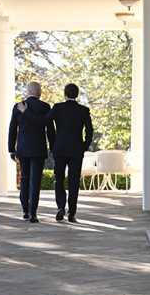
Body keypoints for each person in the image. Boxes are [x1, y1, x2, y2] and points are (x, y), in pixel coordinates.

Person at [17, 83, 93, 223]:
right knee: (74, 181)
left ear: (65, 94)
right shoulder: (84, 110)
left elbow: (42, 122)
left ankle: (60, 208)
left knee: (59, 180)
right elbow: (89, 131)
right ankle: (72, 213)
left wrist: (25, 112)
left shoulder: (58, 108)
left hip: (60, 150)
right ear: (77, 94)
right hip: (76, 150)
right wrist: (83, 146)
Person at [8, 82, 55, 223]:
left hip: (22, 149)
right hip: (38, 149)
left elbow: (12, 129)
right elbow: (50, 130)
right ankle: (33, 212)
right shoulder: (45, 107)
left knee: (24, 179)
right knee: (35, 181)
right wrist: (53, 147)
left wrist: (11, 148)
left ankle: (25, 211)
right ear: (39, 92)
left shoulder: (18, 107)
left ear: (28, 92)